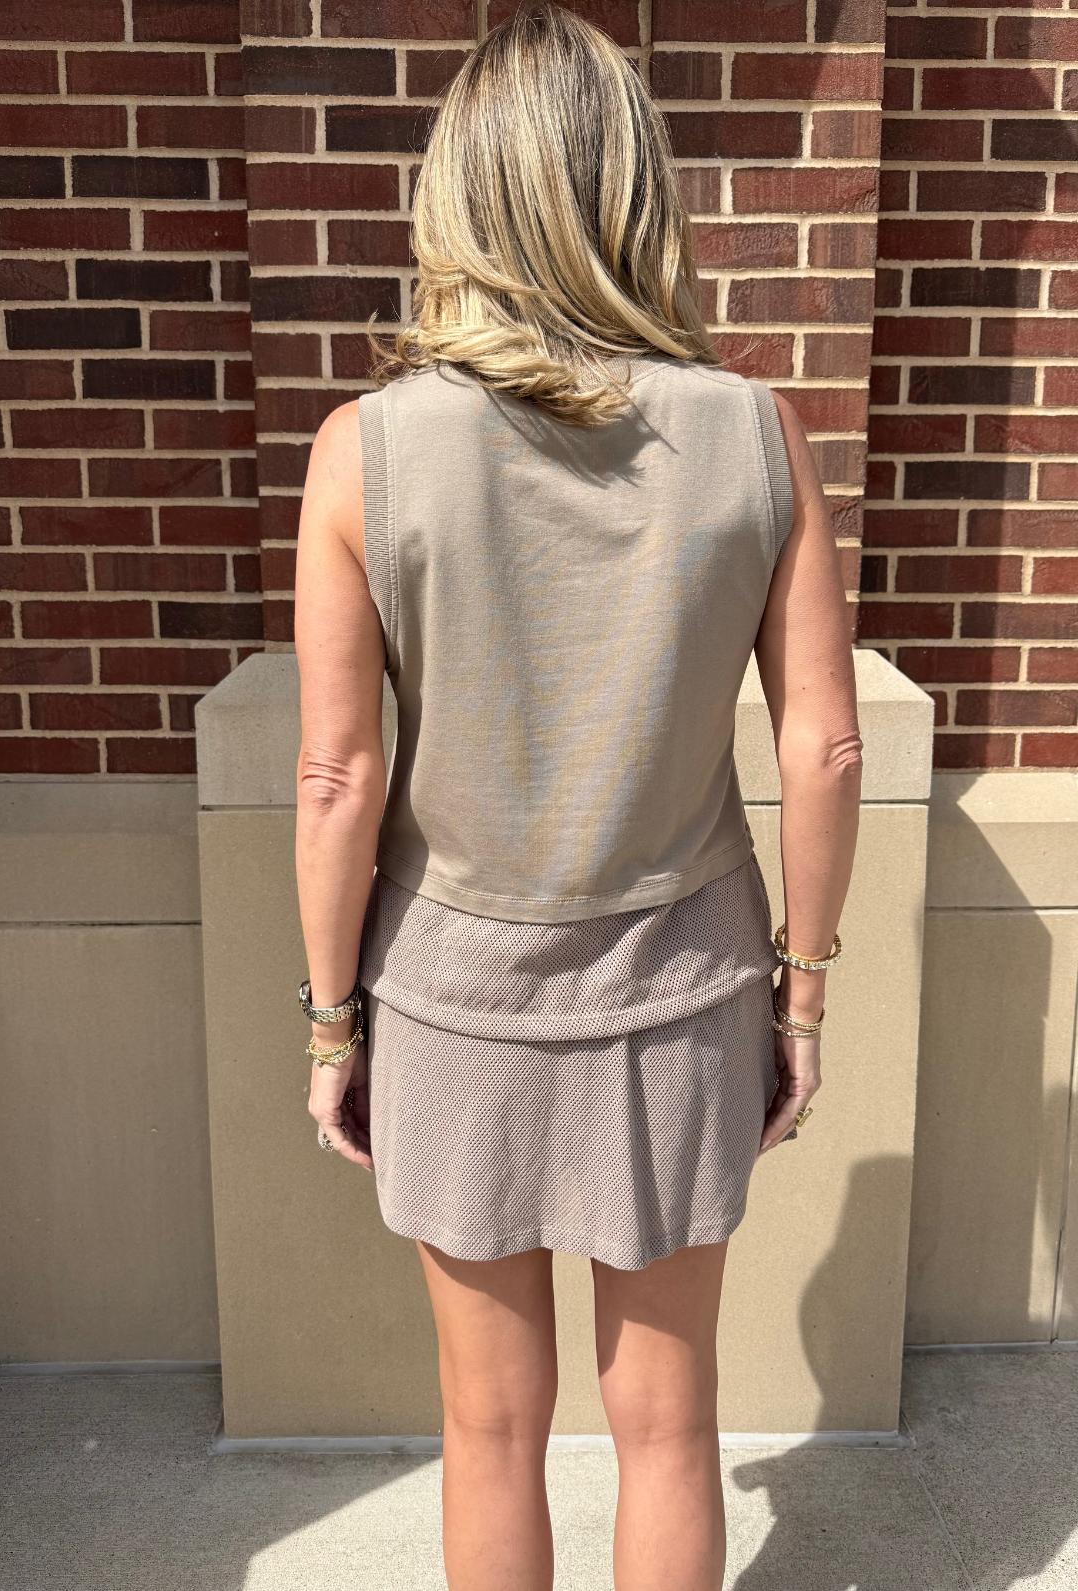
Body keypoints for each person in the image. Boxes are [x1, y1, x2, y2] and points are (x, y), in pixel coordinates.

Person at [292, 5, 862, 1587]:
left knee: (487, 1428)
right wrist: (803, 994)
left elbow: (337, 774)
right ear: (638, 192)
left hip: (454, 993)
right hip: (681, 983)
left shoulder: (364, 451)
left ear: (456, 198)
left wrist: (331, 1025)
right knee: (670, 1427)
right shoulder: (758, 435)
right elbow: (824, 747)